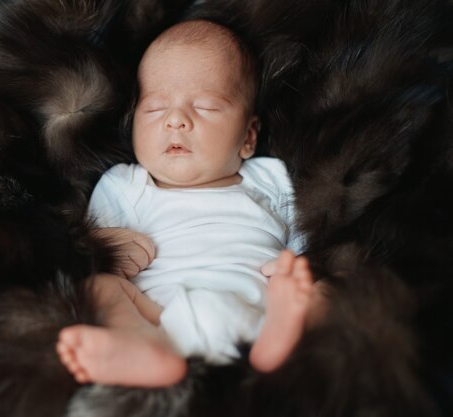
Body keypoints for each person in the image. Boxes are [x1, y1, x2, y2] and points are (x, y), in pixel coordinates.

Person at [56, 20, 324, 387]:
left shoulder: (271, 178)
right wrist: (107, 248)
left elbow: (310, 236)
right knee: (97, 289)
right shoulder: (124, 185)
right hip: (157, 317)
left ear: (248, 137)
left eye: (205, 107)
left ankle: (276, 340)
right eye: (155, 108)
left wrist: (296, 268)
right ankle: (145, 350)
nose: (176, 120)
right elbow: (85, 250)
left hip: (255, 305)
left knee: (329, 291)